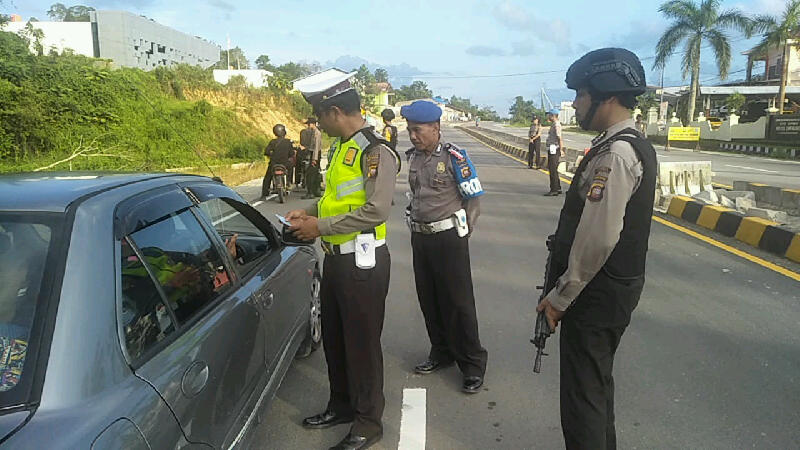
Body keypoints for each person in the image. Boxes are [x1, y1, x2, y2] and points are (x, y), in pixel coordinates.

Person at [535, 47, 656, 449]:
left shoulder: (617, 153)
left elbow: (598, 237)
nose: (574, 103)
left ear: (605, 95)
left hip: (595, 293)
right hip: (610, 288)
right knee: (597, 386)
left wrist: (560, 297)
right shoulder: (623, 144)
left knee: (582, 397)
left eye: (580, 95)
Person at [287, 71, 400, 450]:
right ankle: (341, 406)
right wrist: (307, 212)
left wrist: (320, 226)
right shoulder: (341, 148)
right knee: (335, 340)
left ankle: (368, 422)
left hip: (362, 264)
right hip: (335, 259)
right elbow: (334, 199)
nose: (317, 123)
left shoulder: (375, 151)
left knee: (362, 345)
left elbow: (376, 210)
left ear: (335, 111)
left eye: (319, 115)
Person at [401, 100, 488, 394]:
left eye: (418, 130)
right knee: (429, 298)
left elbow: (474, 198)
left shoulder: (455, 158)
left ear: (436, 127)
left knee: (459, 303)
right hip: (421, 237)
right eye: (410, 130)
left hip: (449, 238)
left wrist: (465, 232)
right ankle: (441, 352)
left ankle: (473, 364)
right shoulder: (413, 158)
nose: (413, 135)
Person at [261, 124, 295, 198]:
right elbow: (291, 153)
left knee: (267, 177)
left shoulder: (272, 142)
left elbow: (266, 152)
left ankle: (264, 193)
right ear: (283, 132)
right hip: (285, 164)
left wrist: (271, 155)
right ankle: (289, 182)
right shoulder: (288, 142)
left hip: (274, 164)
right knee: (291, 167)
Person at [300, 117, 323, 198]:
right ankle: (315, 191)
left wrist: (314, 159)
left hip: (315, 154)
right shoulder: (313, 132)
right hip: (313, 154)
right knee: (313, 174)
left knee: (311, 175)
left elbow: (316, 147)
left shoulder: (317, 133)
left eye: (310, 124)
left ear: (313, 124)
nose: (308, 125)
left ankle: (311, 193)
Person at [544, 109, 564, 196]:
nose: (548, 117)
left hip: (554, 148)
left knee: (552, 169)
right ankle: (558, 187)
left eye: (549, 115)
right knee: (553, 168)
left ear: (553, 115)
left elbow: (559, 138)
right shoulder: (553, 124)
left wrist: (561, 149)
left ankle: (554, 189)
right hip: (552, 147)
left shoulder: (556, 125)